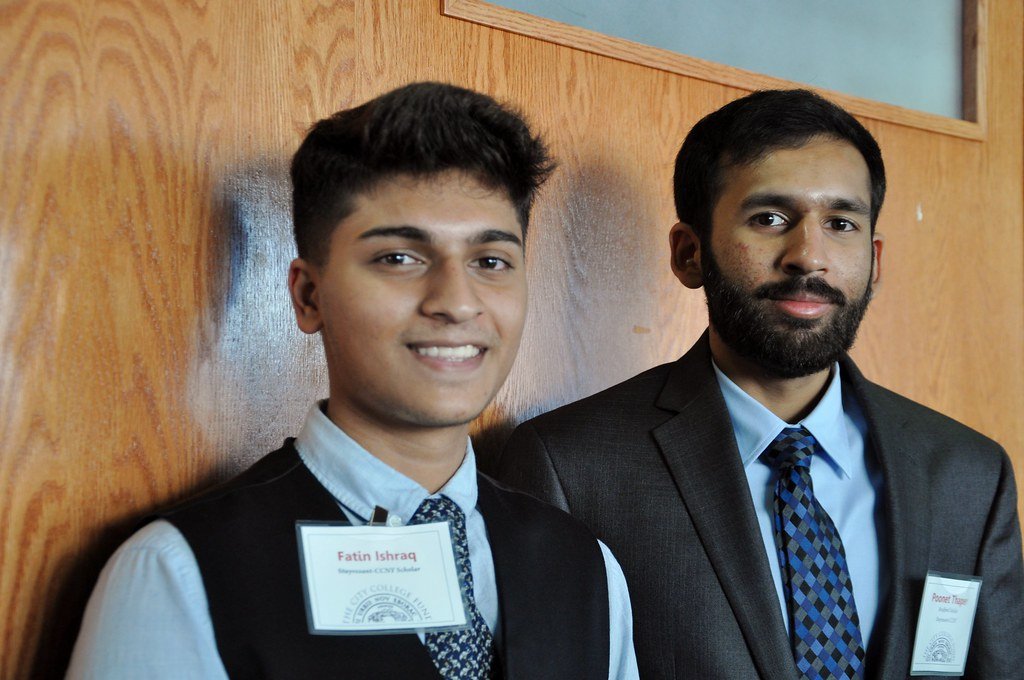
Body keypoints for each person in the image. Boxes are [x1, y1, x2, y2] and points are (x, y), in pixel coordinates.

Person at [67, 82, 638, 679]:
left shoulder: (585, 567)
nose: (456, 301)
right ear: (308, 296)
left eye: (490, 261)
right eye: (398, 258)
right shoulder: (179, 573)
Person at [498, 89, 1024, 679]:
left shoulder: (968, 476)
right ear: (690, 253)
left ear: (875, 262)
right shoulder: (570, 467)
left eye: (840, 223)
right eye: (770, 219)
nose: (809, 257)